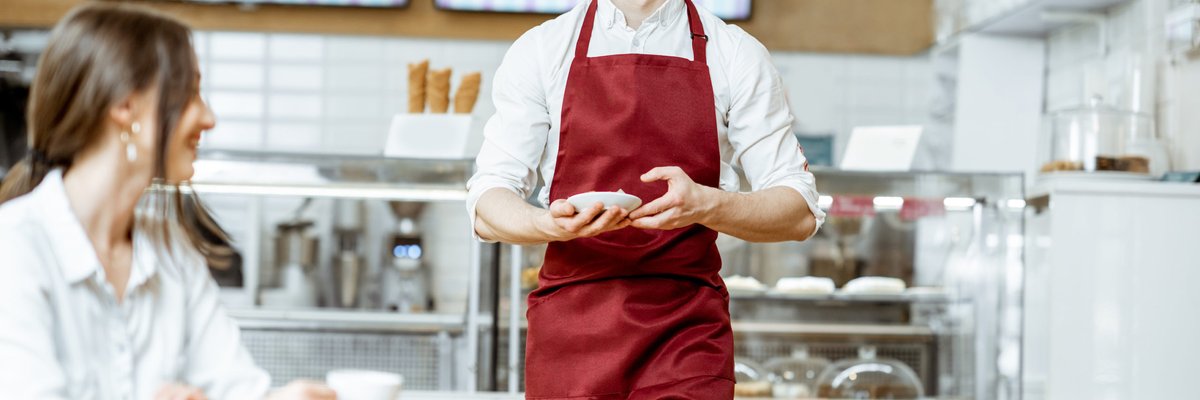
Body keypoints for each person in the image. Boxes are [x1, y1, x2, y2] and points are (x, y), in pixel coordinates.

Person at [467, 0, 827, 398]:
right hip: (571, 330)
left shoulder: (734, 52)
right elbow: (488, 200)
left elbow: (799, 212)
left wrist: (708, 204)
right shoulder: (542, 48)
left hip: (685, 332)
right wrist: (546, 224)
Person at [0, 4, 334, 400]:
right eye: (190, 92)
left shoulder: (172, 249)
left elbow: (234, 387)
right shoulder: (15, 247)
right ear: (125, 105)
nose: (208, 117)